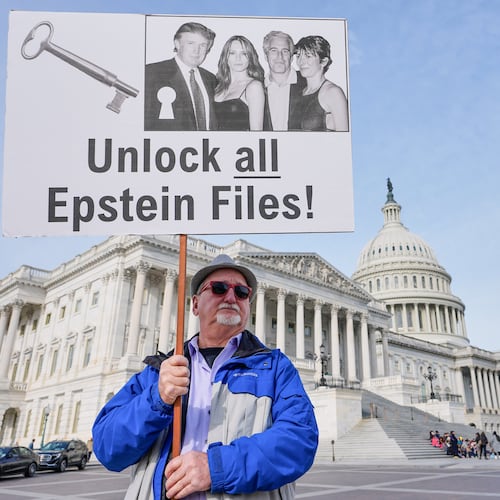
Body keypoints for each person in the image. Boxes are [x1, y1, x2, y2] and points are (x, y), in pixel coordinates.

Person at [92, 254, 318, 499]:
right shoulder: (159, 372)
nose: (231, 297)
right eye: (219, 288)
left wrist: (216, 467)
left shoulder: (274, 368)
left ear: (248, 306)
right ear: (195, 304)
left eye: (242, 292)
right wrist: (156, 399)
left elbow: (299, 441)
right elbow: (107, 449)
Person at [145, 22, 218, 131]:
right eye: (190, 43)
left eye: (202, 45)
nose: (196, 51)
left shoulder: (211, 79)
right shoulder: (152, 74)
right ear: (177, 44)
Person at [294, 35, 349, 132]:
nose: (300, 62)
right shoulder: (298, 93)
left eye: (308, 56)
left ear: (323, 62)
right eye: (298, 55)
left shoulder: (333, 93)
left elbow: (344, 139)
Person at [214, 36, 265, 130]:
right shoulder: (216, 86)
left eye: (244, 53)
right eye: (232, 53)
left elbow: (257, 132)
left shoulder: (254, 87)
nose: (238, 58)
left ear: (250, 57)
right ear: (225, 57)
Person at [262, 30, 306, 131]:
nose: (280, 56)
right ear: (266, 56)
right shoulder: (258, 88)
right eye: (274, 50)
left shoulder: (307, 83)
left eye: (285, 51)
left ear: (291, 57)